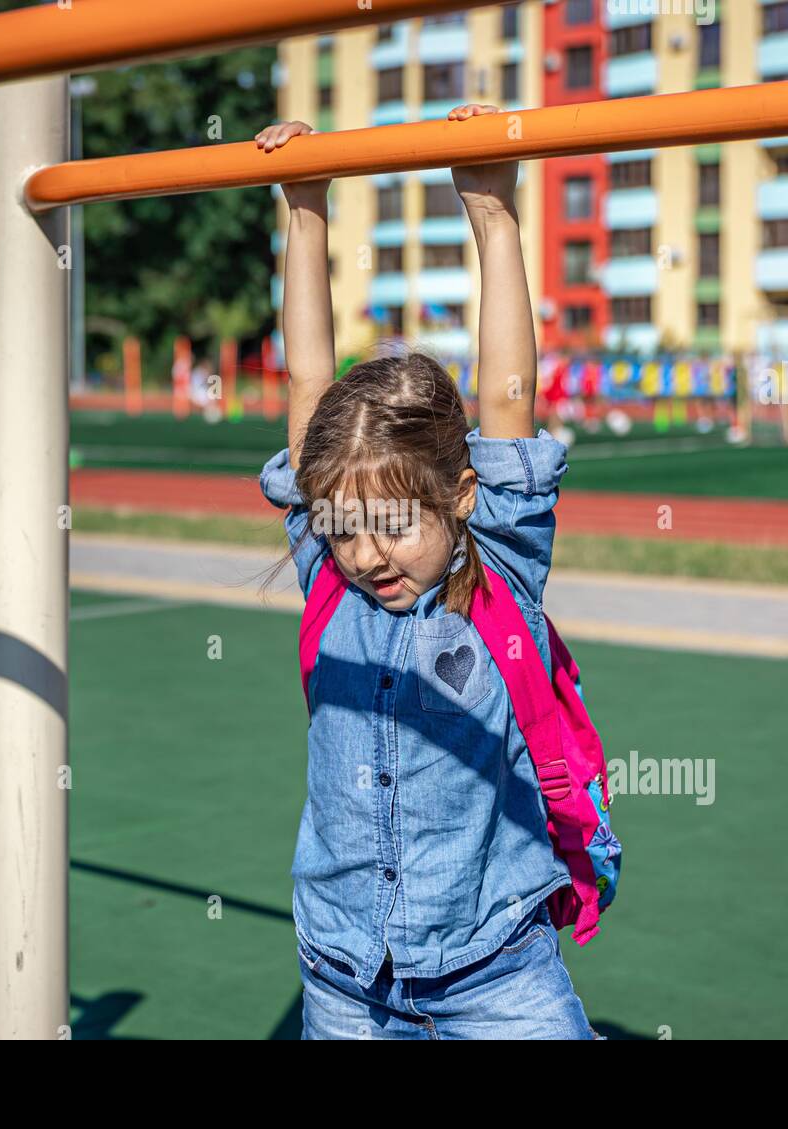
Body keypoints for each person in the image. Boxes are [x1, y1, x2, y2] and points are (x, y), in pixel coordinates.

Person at [256, 105, 602, 1041]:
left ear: (460, 496)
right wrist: (304, 205)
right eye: (346, 527)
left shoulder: (498, 571)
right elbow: (306, 386)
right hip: (344, 970)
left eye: (396, 525)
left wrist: (491, 210)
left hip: (494, 966)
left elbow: (508, 396)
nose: (368, 553)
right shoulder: (330, 574)